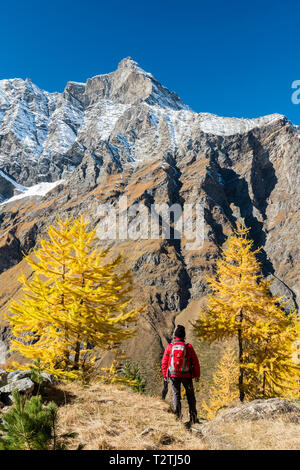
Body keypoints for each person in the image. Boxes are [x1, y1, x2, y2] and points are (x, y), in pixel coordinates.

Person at [161, 324, 200, 425]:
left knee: (176, 396)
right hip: (187, 375)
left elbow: (164, 362)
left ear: (175, 336)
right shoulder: (188, 347)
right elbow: (195, 362)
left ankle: (177, 418)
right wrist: (197, 375)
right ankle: (193, 418)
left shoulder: (170, 347)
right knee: (190, 396)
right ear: (184, 336)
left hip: (174, 376)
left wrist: (165, 375)